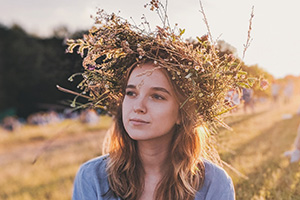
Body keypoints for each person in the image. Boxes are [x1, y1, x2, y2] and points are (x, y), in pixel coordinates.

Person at [65, 5, 250, 200]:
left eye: (157, 96)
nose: (138, 106)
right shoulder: (92, 178)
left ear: (181, 113)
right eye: (131, 93)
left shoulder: (214, 184)